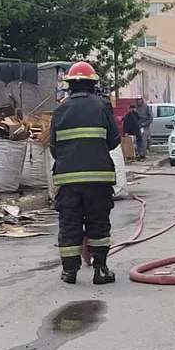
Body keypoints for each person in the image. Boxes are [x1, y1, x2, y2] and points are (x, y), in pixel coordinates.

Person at [49, 61, 121, 285]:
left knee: (69, 225)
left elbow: (53, 147)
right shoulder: (102, 106)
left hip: (68, 181)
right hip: (99, 178)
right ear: (93, 83)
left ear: (69, 85)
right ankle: (100, 270)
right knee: (98, 223)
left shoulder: (60, 109)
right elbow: (114, 140)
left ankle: (69, 272)